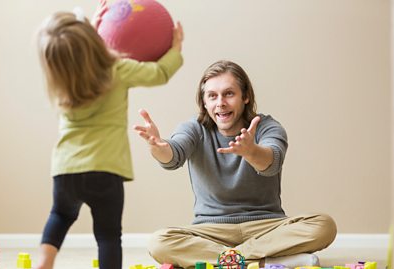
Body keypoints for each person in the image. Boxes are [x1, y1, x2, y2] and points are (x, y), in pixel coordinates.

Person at [133, 60, 336, 269]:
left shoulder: (267, 126)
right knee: (159, 242)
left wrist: (251, 151)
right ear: (204, 102)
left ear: (245, 97)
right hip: (211, 230)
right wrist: (158, 147)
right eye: (212, 96)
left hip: (266, 227)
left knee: (323, 225)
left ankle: (230, 260)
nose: (220, 102)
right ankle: (263, 261)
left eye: (229, 93)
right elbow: (173, 155)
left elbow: (272, 162)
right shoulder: (194, 128)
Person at [35, 1, 184, 268]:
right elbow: (160, 73)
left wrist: (90, 29)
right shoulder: (116, 70)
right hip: (105, 169)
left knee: (59, 215)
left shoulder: (60, 82)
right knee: (107, 235)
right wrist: (175, 49)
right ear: (93, 41)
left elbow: (75, 53)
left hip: (66, 169)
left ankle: (43, 262)